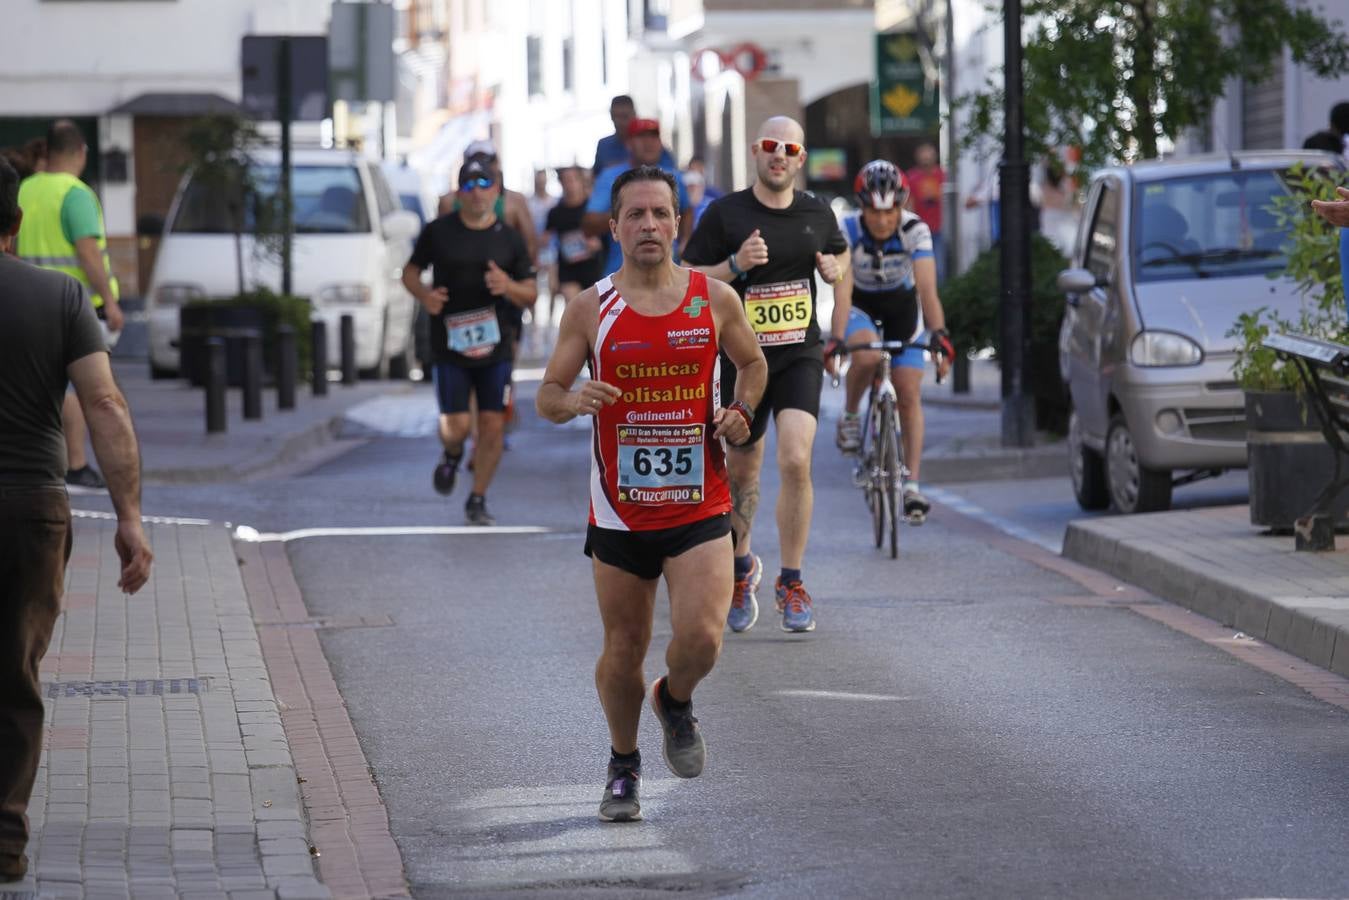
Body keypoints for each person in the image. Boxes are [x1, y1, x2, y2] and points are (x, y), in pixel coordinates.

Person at [536, 165, 767, 823]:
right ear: (613, 228)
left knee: (702, 637)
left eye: (659, 214)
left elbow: (752, 365)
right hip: (620, 510)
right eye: (634, 215)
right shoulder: (590, 308)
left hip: (698, 500)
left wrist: (742, 412)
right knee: (623, 648)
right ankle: (622, 764)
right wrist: (575, 399)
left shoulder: (712, 298)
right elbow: (546, 394)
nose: (647, 225)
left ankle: (675, 699)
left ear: (677, 223)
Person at [0, 157, 153, 883]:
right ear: (18, 222)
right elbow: (106, 407)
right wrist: (130, 517)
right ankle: (4, 841)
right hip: (31, 509)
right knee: (14, 673)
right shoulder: (61, 297)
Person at [681, 115, 850, 635]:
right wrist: (734, 263)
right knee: (743, 471)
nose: (780, 155)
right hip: (742, 360)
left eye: (790, 148)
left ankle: (792, 580)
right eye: (772, 146)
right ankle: (741, 568)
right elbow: (687, 279)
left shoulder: (817, 212)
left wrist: (835, 270)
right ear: (757, 151)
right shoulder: (725, 213)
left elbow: (842, 256)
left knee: (796, 458)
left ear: (800, 158)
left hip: (799, 352)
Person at [402, 159, 537, 526]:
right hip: (449, 344)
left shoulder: (508, 238)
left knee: (493, 425)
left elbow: (530, 293)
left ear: (496, 192)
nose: (477, 191)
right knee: (457, 425)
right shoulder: (439, 232)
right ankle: (451, 453)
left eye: (484, 183)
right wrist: (425, 296)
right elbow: (410, 272)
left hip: (496, 346)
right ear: (459, 192)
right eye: (469, 184)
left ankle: (477, 497)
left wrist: (506, 286)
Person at [832, 160, 954, 524]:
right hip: (860, 304)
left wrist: (940, 336)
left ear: (901, 206)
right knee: (867, 354)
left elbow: (928, 290)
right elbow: (841, 293)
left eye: (890, 212)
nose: (883, 221)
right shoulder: (847, 229)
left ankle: (912, 485)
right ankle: (852, 415)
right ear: (862, 207)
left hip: (902, 307)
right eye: (874, 212)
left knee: (908, 391)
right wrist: (837, 340)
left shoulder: (915, 229)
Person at [16, 120, 124, 490]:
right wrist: (109, 301)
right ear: (81, 152)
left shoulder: (25, 189)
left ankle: (46, 459)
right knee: (80, 388)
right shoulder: (75, 194)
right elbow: (88, 252)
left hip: (24, 300)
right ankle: (76, 464)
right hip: (75, 306)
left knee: (40, 385)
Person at [584, 118, 692, 278]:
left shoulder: (674, 176)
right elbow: (589, 223)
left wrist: (686, 242)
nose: (648, 143)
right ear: (629, 143)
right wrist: (628, 212)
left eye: (653, 137)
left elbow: (686, 209)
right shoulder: (609, 176)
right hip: (619, 275)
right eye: (641, 137)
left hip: (669, 275)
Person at [542, 166, 603, 330]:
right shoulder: (555, 213)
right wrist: (549, 267)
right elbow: (545, 241)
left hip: (592, 268)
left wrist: (597, 244)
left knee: (594, 314)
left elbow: (609, 235)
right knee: (576, 309)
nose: (570, 184)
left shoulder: (593, 208)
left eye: (573, 180)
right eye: (565, 180)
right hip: (568, 269)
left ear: (581, 181)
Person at [592, 95, 675, 177]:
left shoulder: (652, 145)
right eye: (615, 116)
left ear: (634, 115)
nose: (619, 122)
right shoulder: (604, 146)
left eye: (624, 116)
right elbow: (595, 176)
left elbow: (670, 174)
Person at [905, 142, 946, 281]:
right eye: (924, 155)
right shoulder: (911, 177)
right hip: (920, 231)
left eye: (929, 154)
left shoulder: (943, 175)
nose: (926, 158)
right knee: (919, 270)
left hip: (939, 230)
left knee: (939, 269)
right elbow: (908, 204)